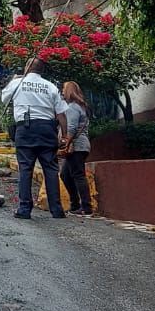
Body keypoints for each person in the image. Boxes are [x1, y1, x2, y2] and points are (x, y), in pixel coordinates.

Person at [1, 58, 68, 219]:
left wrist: (15, 81)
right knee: (51, 169)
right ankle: (56, 209)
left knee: (25, 168)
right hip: (47, 129)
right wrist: (64, 135)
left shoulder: (18, 83)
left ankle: (24, 209)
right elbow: (61, 114)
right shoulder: (50, 86)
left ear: (27, 68)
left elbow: (4, 99)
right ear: (41, 70)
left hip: (26, 128)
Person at [60, 80, 93, 216]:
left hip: (77, 145)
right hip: (81, 145)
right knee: (65, 175)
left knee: (78, 175)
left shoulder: (73, 107)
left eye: (63, 89)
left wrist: (64, 143)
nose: (62, 92)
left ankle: (86, 207)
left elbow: (71, 127)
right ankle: (75, 205)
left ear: (69, 91)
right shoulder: (81, 106)